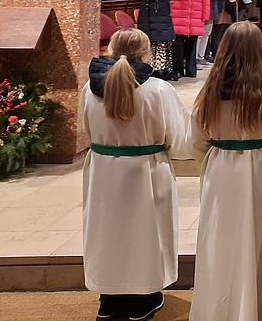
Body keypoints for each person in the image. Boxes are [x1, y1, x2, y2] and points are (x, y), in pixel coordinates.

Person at [189, 22, 262, 321]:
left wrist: (215, 156)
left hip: (219, 168)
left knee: (217, 240)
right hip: (258, 169)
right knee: (257, 242)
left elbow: (195, 140)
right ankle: (256, 311)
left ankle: (215, 312)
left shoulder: (209, 90)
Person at [81, 27, 191, 321]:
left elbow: (86, 129)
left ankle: (109, 300)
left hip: (103, 172)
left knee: (107, 234)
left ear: (111, 50)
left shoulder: (89, 89)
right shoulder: (157, 89)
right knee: (145, 235)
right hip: (146, 171)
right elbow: (178, 138)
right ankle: (144, 299)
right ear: (145, 53)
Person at [168, 0, 210, 80]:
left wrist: (205, 14)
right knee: (178, 42)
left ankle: (191, 69)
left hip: (195, 12)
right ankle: (178, 69)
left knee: (192, 42)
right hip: (178, 11)